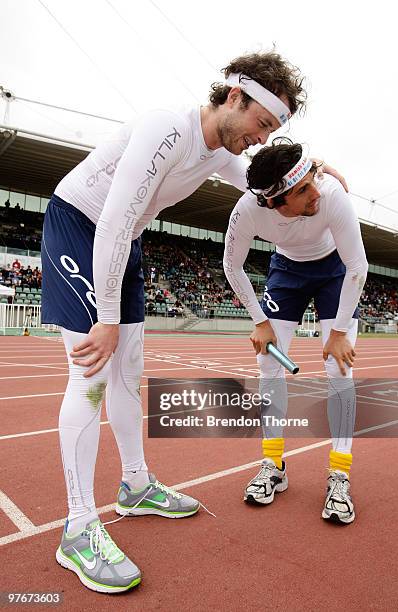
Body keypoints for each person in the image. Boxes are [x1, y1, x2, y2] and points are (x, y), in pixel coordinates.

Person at [41, 50, 344, 594]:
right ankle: (78, 526)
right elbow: (111, 217)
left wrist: (316, 176)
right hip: (83, 225)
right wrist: (106, 317)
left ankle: (134, 484)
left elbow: (265, 186)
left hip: (125, 241)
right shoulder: (167, 130)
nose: (261, 136)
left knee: (129, 373)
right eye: (261, 123)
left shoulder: (222, 154)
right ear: (234, 97)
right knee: (89, 374)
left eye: (273, 129)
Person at [223, 140, 368, 525]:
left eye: (312, 179)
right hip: (286, 271)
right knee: (267, 363)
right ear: (274, 202)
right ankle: (273, 465)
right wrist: (259, 321)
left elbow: (358, 267)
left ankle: (340, 474)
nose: (315, 191)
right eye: (303, 190)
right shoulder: (248, 211)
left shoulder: (331, 195)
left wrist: (338, 331)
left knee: (339, 369)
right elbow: (231, 265)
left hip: (334, 271)